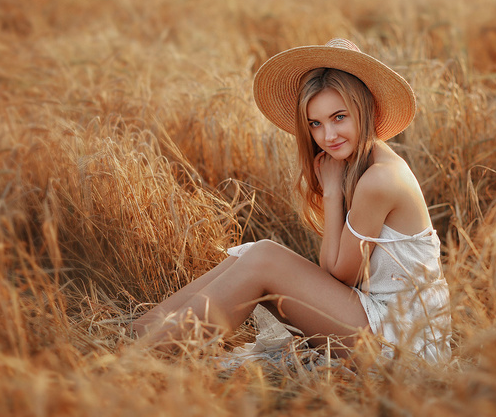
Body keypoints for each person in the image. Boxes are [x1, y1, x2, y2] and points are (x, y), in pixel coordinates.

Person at [132, 38, 451, 363]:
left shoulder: (380, 179)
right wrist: (334, 189)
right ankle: (139, 335)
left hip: (406, 343)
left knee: (264, 258)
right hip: (377, 321)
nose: (328, 136)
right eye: (316, 123)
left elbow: (338, 277)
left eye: (339, 117)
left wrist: (331, 193)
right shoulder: (363, 166)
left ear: (365, 110)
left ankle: (143, 360)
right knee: (255, 254)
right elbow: (337, 272)